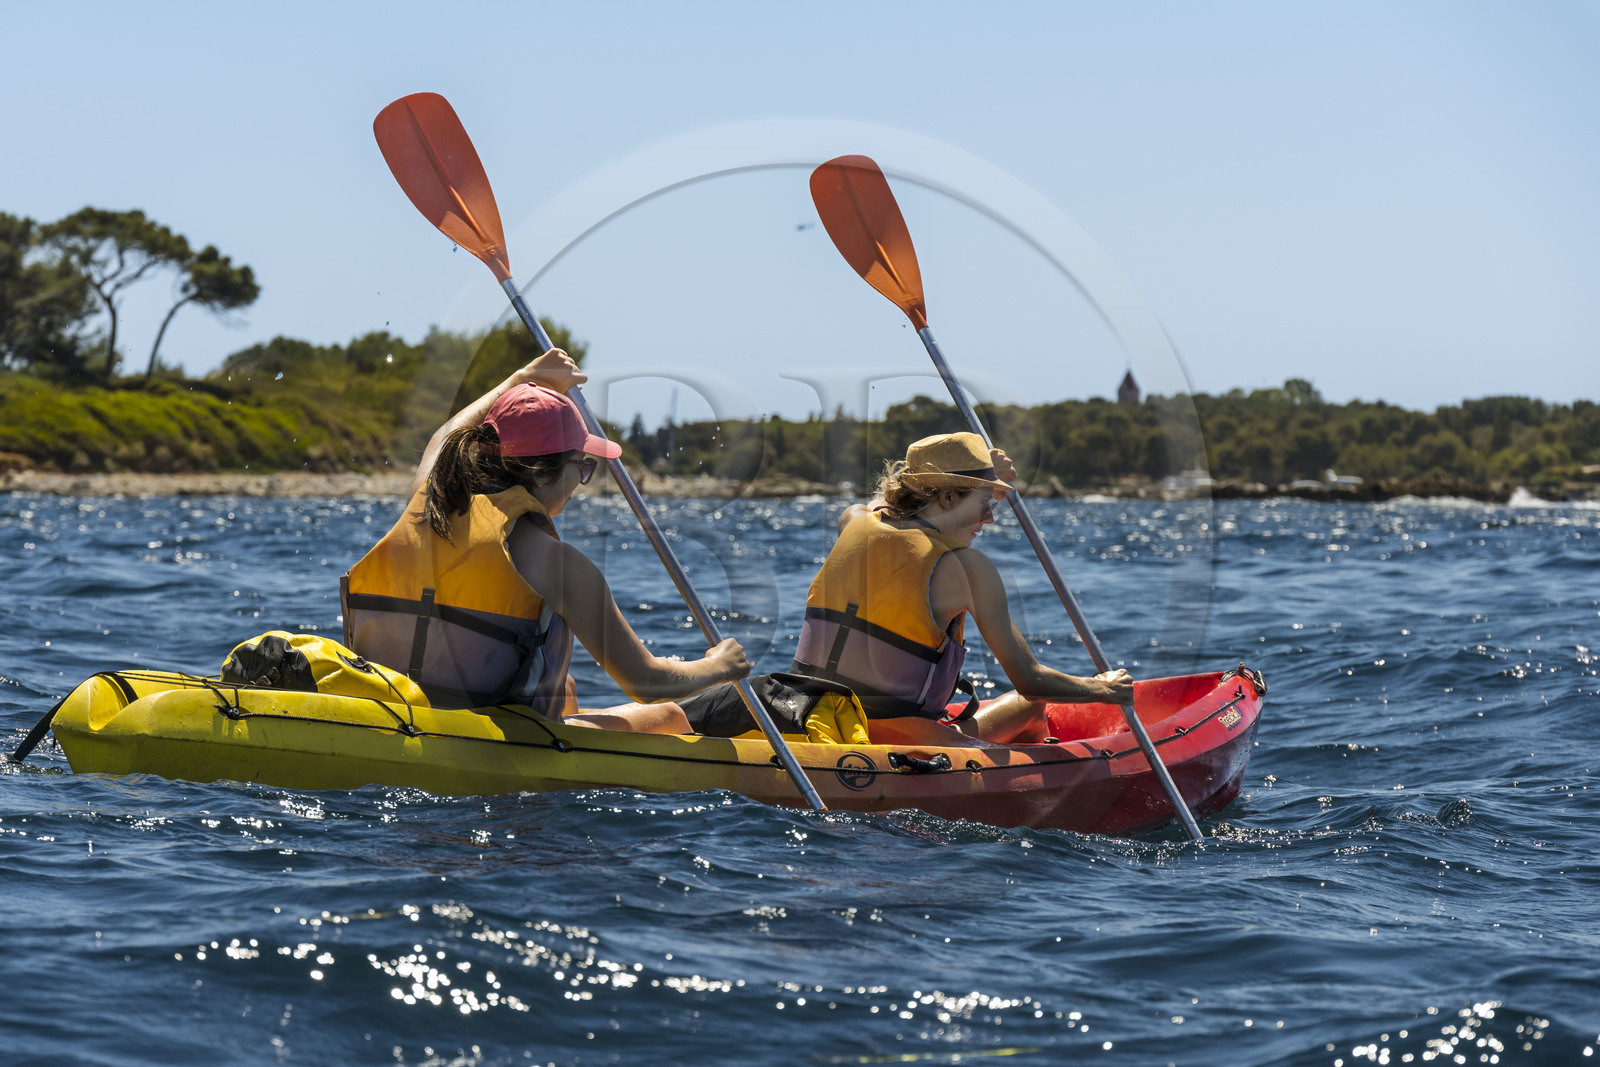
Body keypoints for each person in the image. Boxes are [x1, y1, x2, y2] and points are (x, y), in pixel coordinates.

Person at [341, 348, 748, 733]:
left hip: (396, 713)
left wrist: (522, 379)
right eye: (581, 466)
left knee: (565, 688)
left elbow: (446, 435)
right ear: (542, 468)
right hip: (489, 743)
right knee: (670, 716)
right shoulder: (559, 566)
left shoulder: (426, 499)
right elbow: (646, 682)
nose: (581, 480)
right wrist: (719, 665)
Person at [789, 431, 1134, 746]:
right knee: (1029, 707)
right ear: (949, 496)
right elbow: (1031, 682)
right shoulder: (969, 569)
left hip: (805, 715)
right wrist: (1104, 688)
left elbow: (886, 504)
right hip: (900, 741)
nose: (990, 519)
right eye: (986, 504)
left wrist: (982, 473)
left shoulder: (853, 520)